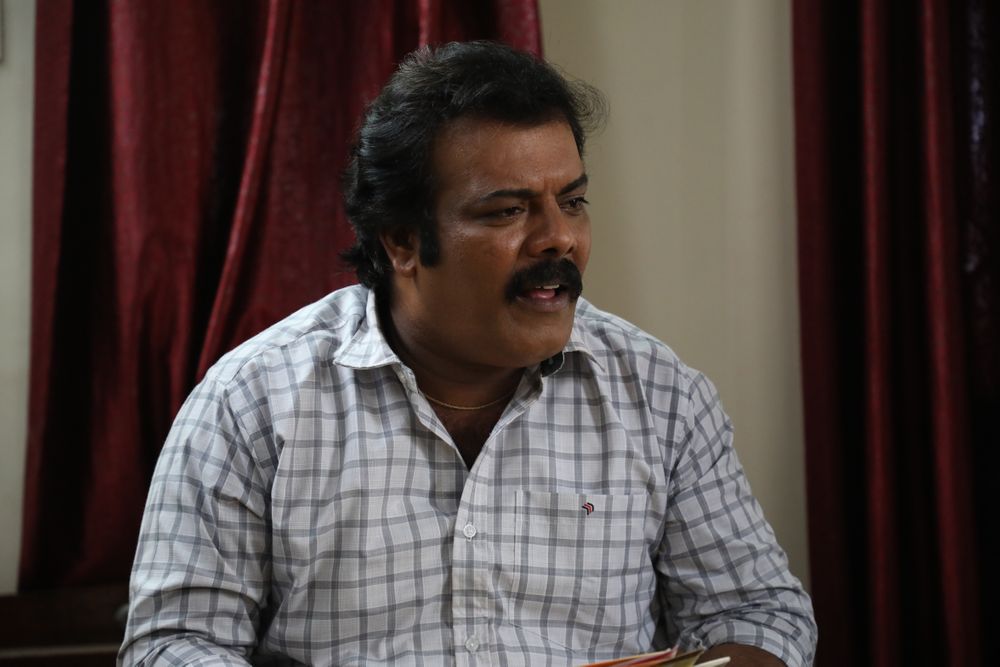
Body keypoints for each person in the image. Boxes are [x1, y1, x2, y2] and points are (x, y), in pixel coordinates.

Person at [119, 41, 817, 666]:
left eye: (572, 201)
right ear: (401, 240)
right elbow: (172, 643)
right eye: (507, 211)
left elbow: (758, 613)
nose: (558, 238)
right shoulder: (252, 400)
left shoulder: (659, 394)